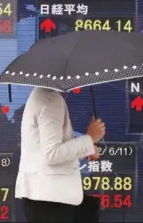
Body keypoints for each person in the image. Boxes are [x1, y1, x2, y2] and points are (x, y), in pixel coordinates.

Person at [15, 87, 105, 222]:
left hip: (44, 198)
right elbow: (52, 154)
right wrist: (90, 138)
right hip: (51, 200)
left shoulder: (39, 94)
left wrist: (87, 147)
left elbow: (46, 152)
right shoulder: (51, 99)